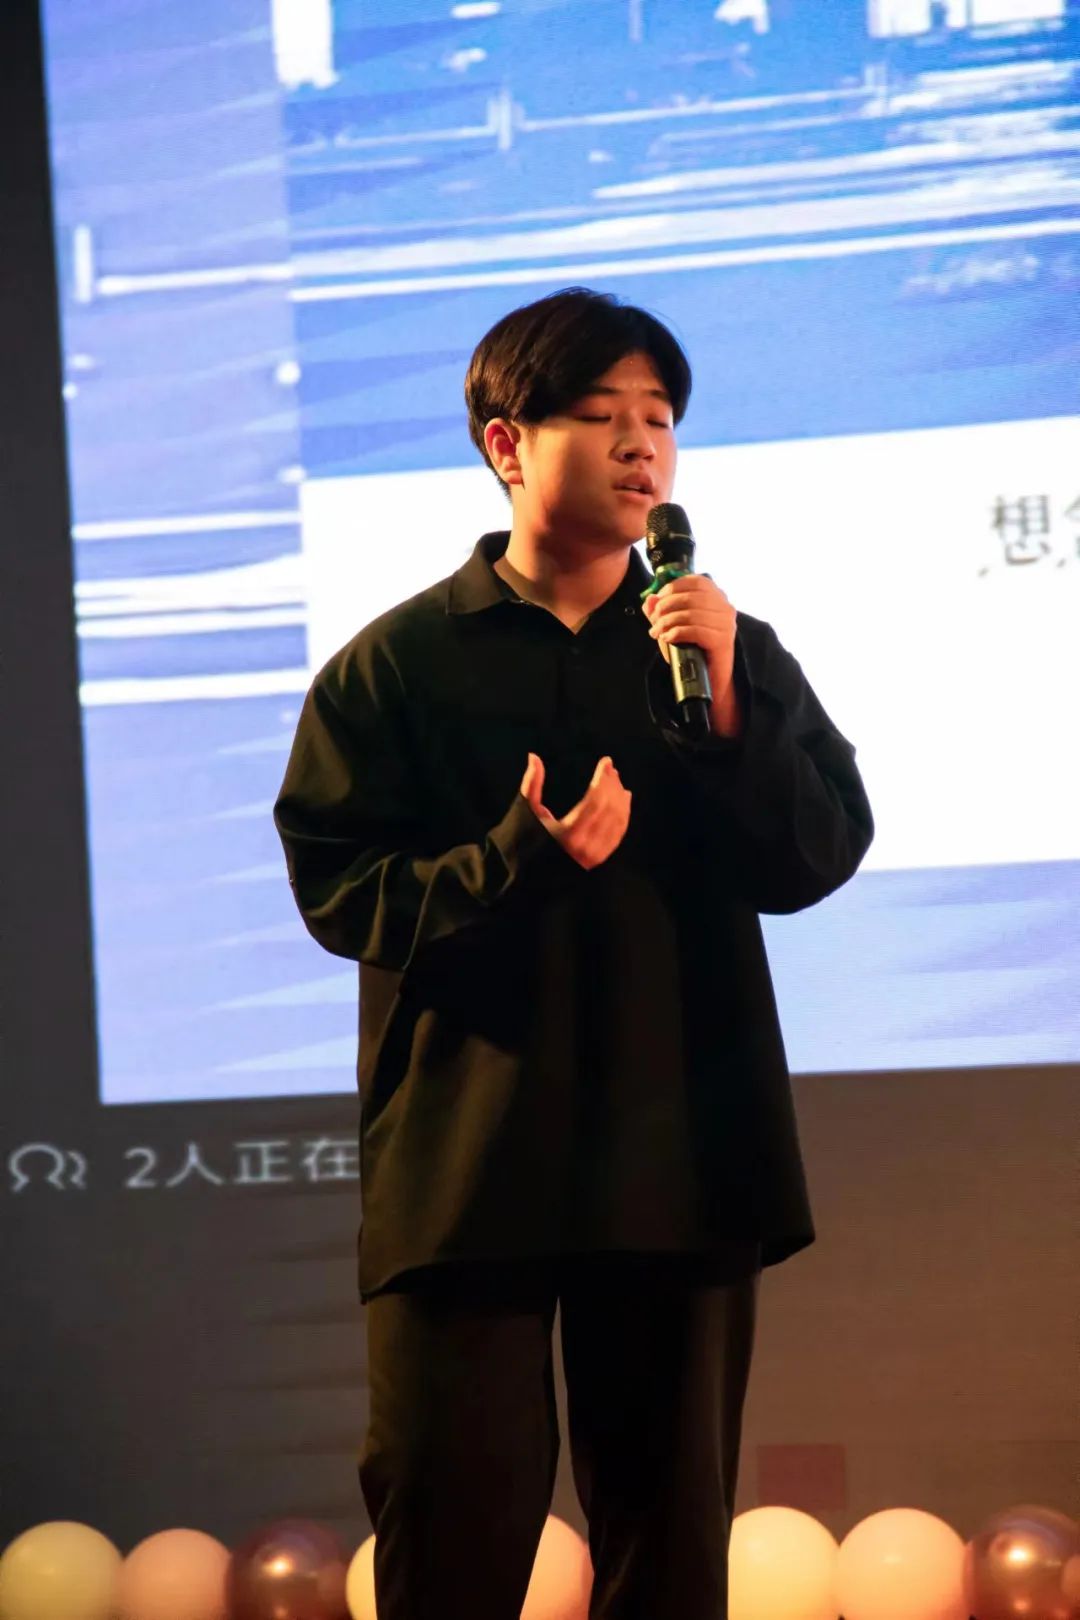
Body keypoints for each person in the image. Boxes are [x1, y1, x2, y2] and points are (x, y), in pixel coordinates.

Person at [273, 286, 874, 1619]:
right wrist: (513, 862)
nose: (640, 444)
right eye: (601, 415)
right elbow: (340, 890)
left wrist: (729, 713)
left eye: (658, 417)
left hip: (679, 1154)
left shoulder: (722, 650)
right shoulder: (396, 669)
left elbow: (816, 855)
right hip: (469, 1167)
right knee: (449, 1538)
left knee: (671, 1548)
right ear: (508, 443)